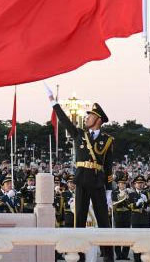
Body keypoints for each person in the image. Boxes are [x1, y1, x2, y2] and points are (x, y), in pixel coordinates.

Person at [46, 84, 115, 262]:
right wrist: (54, 103)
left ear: (98, 119)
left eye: (90, 116)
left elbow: (108, 166)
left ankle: (108, 256)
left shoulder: (107, 140)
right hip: (82, 180)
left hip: (98, 181)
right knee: (80, 220)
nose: (87, 118)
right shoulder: (79, 135)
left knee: (103, 222)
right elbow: (65, 120)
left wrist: (109, 190)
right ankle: (80, 256)